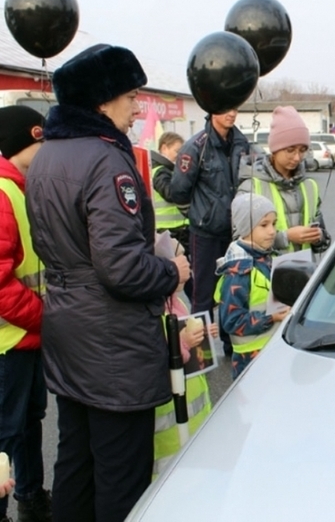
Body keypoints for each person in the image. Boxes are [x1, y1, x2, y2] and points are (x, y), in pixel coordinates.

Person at [24, 44, 190, 522]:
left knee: (76, 464)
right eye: (131, 96)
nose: (137, 107)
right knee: (122, 476)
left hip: (68, 329)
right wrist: (171, 271)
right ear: (102, 101)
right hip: (112, 344)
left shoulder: (49, 156)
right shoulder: (105, 160)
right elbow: (120, 268)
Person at [0, 106, 51, 522]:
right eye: (40, 140)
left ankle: (32, 499)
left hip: (25, 335)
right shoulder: (2, 193)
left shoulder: (20, 187)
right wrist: (44, 316)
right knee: (5, 433)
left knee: (27, 424)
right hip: (10, 339)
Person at [170, 109, 253, 357]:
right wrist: (201, 215)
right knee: (203, 294)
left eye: (236, 107)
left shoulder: (242, 144)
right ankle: (201, 353)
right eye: (226, 108)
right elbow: (179, 191)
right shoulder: (196, 147)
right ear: (212, 110)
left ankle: (232, 345)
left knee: (235, 289)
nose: (232, 113)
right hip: (205, 234)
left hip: (237, 233)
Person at [152, 236, 214, 478]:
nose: (186, 264)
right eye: (179, 258)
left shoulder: (177, 303)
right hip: (169, 432)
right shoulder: (155, 313)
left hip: (191, 418)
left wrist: (203, 337)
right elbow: (162, 358)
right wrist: (186, 343)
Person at [236, 106, 331, 256]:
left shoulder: (310, 186)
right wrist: (285, 237)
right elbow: (239, 242)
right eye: (290, 150)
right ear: (274, 149)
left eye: (302, 150)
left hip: (305, 276)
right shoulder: (251, 187)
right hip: (265, 277)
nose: (297, 157)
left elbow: (324, 241)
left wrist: (318, 237)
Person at [215, 193, 290, 379]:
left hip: (270, 350)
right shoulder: (239, 270)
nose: (272, 231)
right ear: (245, 227)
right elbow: (231, 321)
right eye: (264, 225)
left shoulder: (265, 257)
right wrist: (270, 317)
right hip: (250, 358)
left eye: (274, 223)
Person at [150, 132, 190, 252]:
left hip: (176, 230)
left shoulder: (169, 170)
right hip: (170, 231)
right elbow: (170, 193)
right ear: (164, 148)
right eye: (177, 151)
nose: (179, 156)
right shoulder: (159, 171)